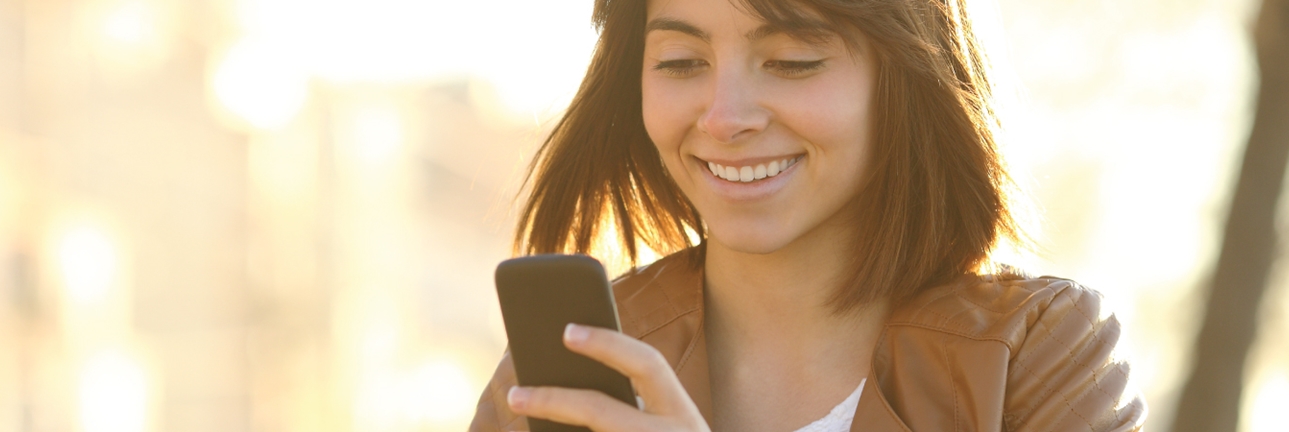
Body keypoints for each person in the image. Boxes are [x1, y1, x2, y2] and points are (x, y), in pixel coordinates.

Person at [468, 0, 1147, 430]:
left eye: (792, 61)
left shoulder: (1039, 353)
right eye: (680, 62)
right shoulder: (560, 372)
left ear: (908, 78)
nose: (725, 117)